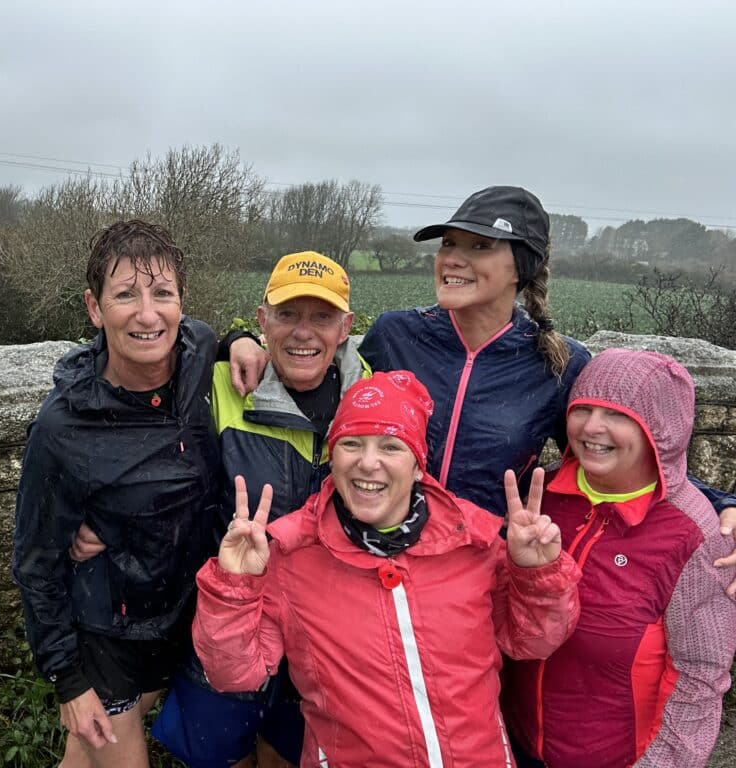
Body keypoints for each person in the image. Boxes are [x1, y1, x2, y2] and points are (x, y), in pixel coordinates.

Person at [229, 186, 736, 528]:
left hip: (487, 577)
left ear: (520, 266)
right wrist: (237, 339)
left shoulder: (557, 364)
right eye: (450, 243)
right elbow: (308, 359)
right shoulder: (396, 335)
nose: (453, 258)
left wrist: (720, 505)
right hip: (386, 559)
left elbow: (622, 459)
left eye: (478, 246)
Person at [193, 370, 581, 766]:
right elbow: (234, 675)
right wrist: (234, 586)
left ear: (417, 466)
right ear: (333, 455)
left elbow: (535, 640)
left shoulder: (474, 543)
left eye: (391, 447)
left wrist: (537, 575)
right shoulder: (292, 556)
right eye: (351, 444)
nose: (368, 462)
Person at [12, 219, 221, 768]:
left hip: (181, 616)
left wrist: (245, 342)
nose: (148, 314)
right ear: (93, 307)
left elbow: (216, 340)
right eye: (125, 294)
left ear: (182, 303)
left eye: (163, 294)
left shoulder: (200, 358)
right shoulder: (63, 429)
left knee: (79, 760)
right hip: (106, 638)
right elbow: (35, 563)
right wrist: (68, 681)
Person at [150, 252, 365, 768]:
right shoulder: (218, 382)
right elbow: (122, 391)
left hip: (322, 632)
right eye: (287, 314)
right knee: (223, 757)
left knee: (288, 753)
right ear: (262, 319)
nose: (303, 333)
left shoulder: (370, 397)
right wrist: (90, 509)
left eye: (322, 317)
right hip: (229, 620)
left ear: (347, 327)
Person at [503, 348, 736, 767]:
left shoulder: (692, 533)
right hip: (516, 744)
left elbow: (700, 678)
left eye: (617, 415)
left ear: (660, 429)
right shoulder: (542, 494)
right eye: (584, 408)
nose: (593, 427)